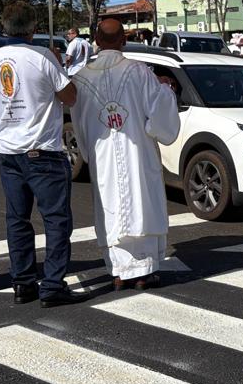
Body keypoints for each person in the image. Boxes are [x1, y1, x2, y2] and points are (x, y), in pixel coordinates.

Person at [0, 1, 84, 308]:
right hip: (42, 149)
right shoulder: (42, 57)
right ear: (33, 28)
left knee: (17, 219)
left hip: (8, 149)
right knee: (56, 221)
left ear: (4, 27)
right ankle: (52, 284)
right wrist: (57, 64)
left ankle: (23, 282)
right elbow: (70, 97)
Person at [69, 18, 180, 290]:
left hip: (102, 155)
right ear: (123, 41)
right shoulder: (139, 71)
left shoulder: (81, 77)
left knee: (111, 208)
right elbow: (159, 114)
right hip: (137, 153)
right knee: (142, 203)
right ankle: (143, 271)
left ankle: (119, 271)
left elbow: (79, 123)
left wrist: (88, 150)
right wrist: (166, 90)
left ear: (96, 41)